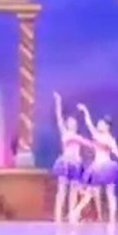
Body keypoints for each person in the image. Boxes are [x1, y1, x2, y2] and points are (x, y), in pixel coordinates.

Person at [71, 103, 118, 227]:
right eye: (98, 123)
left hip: (106, 166)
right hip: (97, 167)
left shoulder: (109, 139)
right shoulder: (97, 135)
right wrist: (85, 111)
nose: (98, 125)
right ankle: (76, 212)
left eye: (101, 124)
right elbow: (89, 124)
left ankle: (112, 218)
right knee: (91, 192)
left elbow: (116, 152)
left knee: (110, 192)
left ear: (107, 127)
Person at [51, 92, 89, 224]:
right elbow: (59, 117)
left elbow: (89, 144)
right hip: (65, 163)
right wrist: (58, 102)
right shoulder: (65, 133)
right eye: (70, 122)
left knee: (74, 190)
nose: (72, 124)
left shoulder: (78, 137)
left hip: (76, 164)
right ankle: (58, 216)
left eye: (74, 122)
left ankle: (72, 215)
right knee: (62, 190)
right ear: (67, 124)